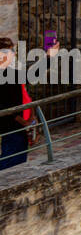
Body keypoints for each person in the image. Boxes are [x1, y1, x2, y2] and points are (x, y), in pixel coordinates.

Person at [0, 37, 30, 170]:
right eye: (11, 50)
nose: (13, 53)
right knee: (10, 166)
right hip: (11, 128)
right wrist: (24, 123)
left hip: (16, 127)